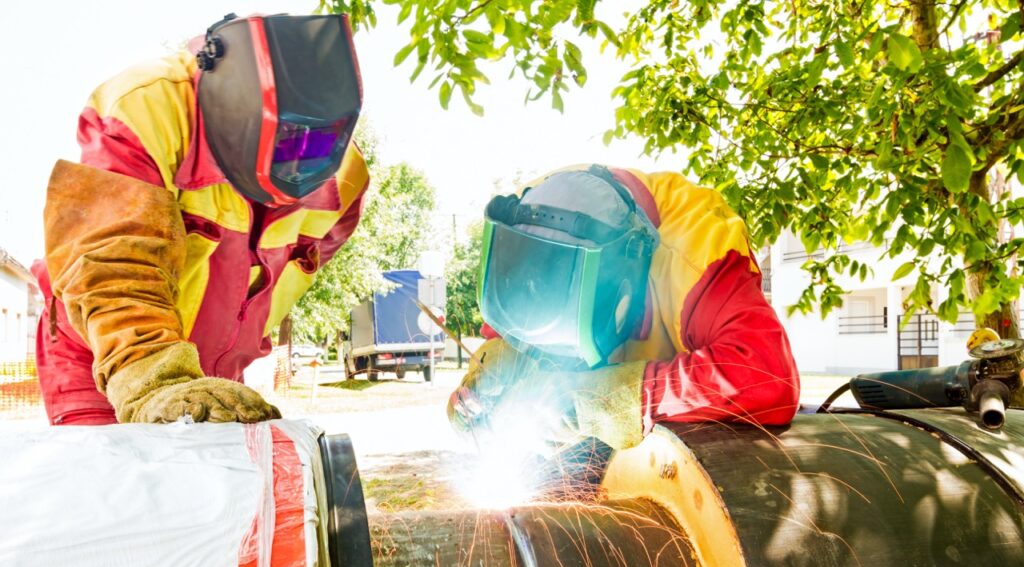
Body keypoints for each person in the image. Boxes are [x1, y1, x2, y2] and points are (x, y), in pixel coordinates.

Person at [35, 13, 368, 425]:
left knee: (210, 482)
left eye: (313, 147)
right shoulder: (146, 107)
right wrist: (152, 377)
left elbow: (274, 283)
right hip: (103, 353)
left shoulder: (345, 177)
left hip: (211, 366)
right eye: (283, 141)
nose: (298, 161)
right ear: (235, 108)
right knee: (109, 481)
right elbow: (113, 262)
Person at [449, 165, 800, 452]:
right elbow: (508, 329)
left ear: (623, 285)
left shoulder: (699, 254)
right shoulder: (532, 214)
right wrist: (491, 370)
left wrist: (597, 401)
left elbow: (767, 376)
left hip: (678, 445)